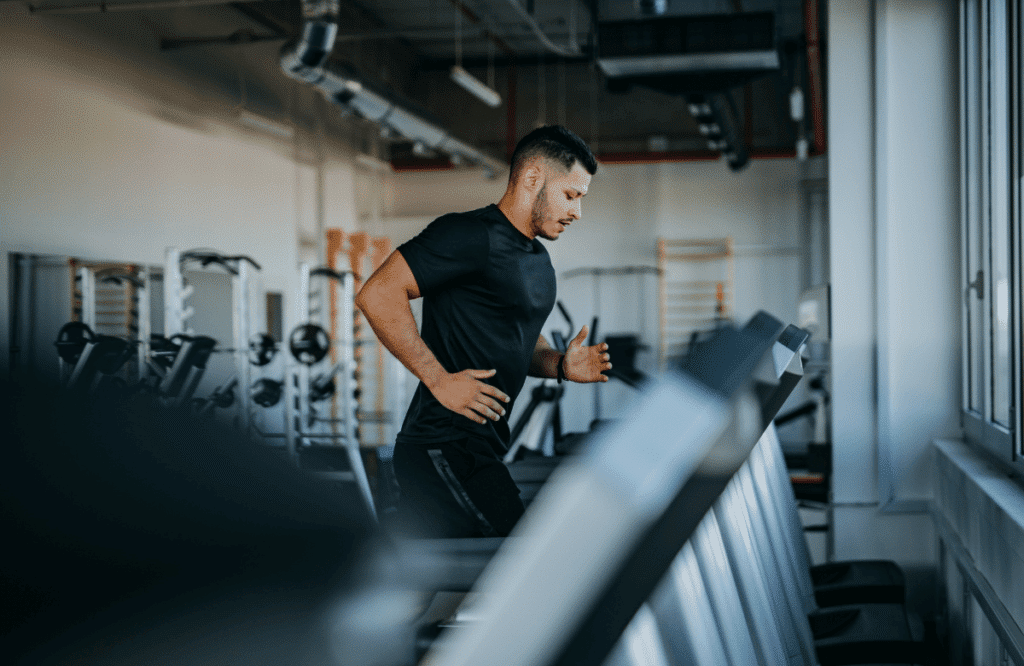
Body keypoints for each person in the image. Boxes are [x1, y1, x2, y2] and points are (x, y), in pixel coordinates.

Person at [356, 125, 611, 539]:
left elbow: (522, 346)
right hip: (444, 444)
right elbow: (378, 294)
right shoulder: (470, 235)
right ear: (532, 178)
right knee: (519, 562)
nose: (577, 212)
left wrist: (561, 364)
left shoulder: (538, 261)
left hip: (479, 446)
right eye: (571, 195)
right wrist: (438, 380)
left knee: (427, 582)